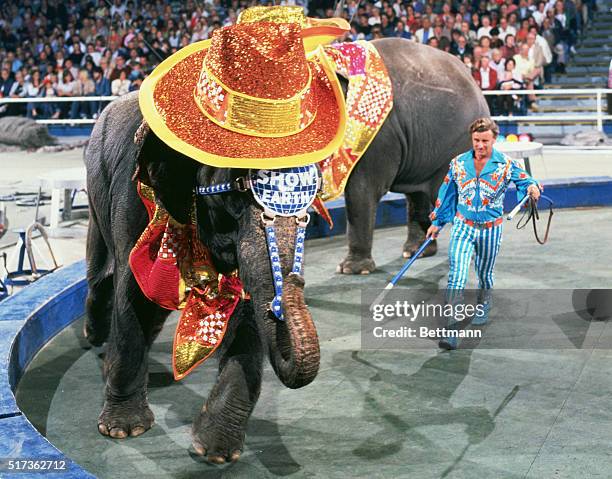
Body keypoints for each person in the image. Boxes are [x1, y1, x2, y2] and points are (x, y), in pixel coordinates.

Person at [426, 118, 541, 349]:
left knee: (485, 274)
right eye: (476, 140)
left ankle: (484, 301)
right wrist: (437, 222)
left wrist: (532, 188)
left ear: (494, 139)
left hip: (491, 229)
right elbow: (447, 193)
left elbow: (526, 182)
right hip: (463, 226)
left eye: (485, 141)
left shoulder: (506, 165)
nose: (480, 145)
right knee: (456, 275)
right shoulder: (458, 163)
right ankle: (451, 328)